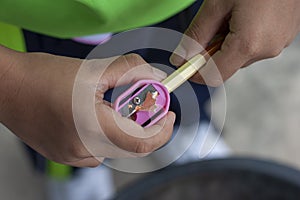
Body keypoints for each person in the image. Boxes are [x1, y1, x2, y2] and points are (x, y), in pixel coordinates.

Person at [0, 0, 299, 168]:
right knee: (60, 124)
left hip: (185, 6)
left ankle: (185, 130)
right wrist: (12, 85)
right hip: (39, 25)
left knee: (194, 76)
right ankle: (71, 174)